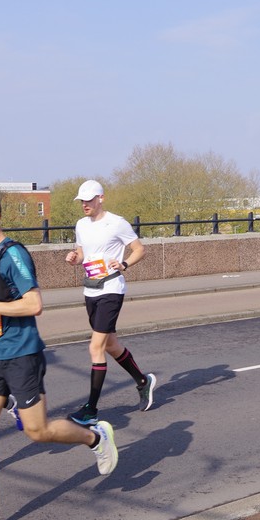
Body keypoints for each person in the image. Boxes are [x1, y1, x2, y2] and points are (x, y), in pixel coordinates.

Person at [0, 191, 117, 520]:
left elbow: (33, 304)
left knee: (37, 431)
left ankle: (94, 437)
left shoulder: (13, 254)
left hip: (23, 356)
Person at [64, 180, 156, 425]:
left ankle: (91, 410)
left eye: (89, 200)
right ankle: (143, 381)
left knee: (96, 347)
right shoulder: (81, 225)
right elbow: (82, 254)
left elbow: (139, 249)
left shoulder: (117, 223)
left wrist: (124, 264)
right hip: (91, 289)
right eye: (82, 201)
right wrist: (74, 258)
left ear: (101, 198)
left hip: (111, 289)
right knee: (110, 344)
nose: (85, 204)